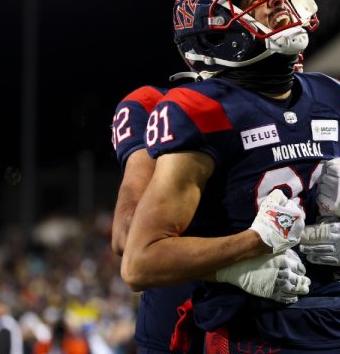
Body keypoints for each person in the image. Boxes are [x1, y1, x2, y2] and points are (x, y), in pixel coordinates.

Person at [121, 0, 340, 352]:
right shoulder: (200, 110)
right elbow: (138, 259)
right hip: (244, 327)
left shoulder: (333, 100)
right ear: (213, 29)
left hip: (331, 321)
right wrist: (245, 252)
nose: (277, 2)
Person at [111, 75, 310, 353]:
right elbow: (126, 237)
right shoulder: (164, 109)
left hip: (281, 322)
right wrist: (235, 264)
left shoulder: (315, 108)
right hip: (181, 323)